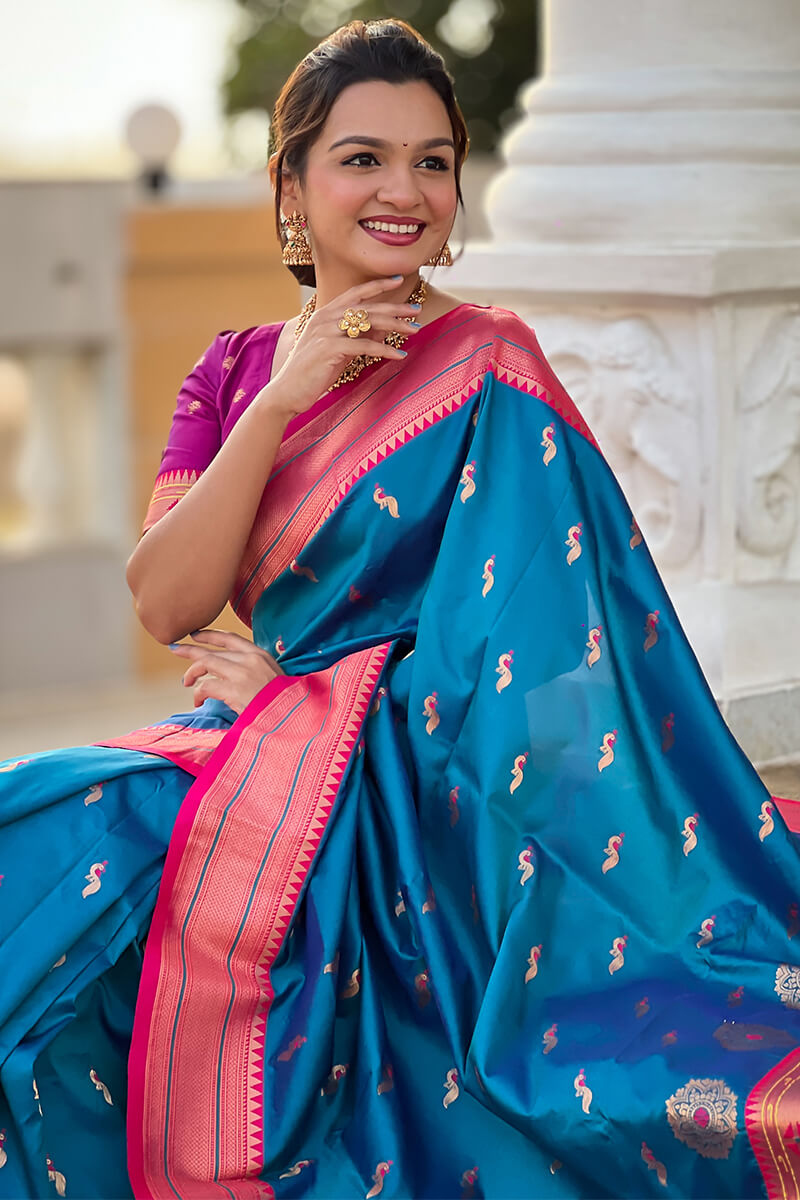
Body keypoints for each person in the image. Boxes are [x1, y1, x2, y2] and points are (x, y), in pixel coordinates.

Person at [1, 18, 799, 1200]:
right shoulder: (234, 372)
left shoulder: (489, 365)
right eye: (361, 158)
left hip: (408, 796)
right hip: (251, 760)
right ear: (290, 187)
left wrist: (295, 704)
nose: (403, 191)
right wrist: (281, 400)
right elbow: (167, 601)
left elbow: (544, 658)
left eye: (432, 161)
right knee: (40, 839)